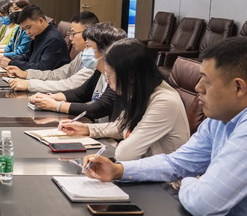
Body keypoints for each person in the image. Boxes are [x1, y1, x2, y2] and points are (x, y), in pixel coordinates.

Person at [83, 37, 247, 216]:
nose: (198, 87)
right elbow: (176, 162)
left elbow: (203, 203)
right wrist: (119, 170)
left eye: (206, 81)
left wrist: (190, 180)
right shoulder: (221, 119)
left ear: (238, 87)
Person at [60, 39, 189, 161]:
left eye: (110, 76)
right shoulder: (140, 90)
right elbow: (120, 126)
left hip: (165, 176)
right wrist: (86, 129)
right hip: (142, 167)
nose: (107, 81)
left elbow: (125, 154)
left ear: (130, 77)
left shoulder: (165, 102)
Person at [30, 23, 126, 121]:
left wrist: (56, 106)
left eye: (88, 46)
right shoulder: (99, 72)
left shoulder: (117, 78)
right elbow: (80, 93)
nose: (85, 51)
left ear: (105, 49)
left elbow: (96, 109)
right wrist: (50, 97)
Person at [7, 11, 99, 93]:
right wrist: (27, 74)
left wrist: (29, 84)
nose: (70, 38)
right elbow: (58, 74)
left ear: (88, 33)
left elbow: (70, 84)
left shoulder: (95, 58)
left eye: (73, 33)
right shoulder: (83, 53)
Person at [0, 4, 70, 71]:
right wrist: (9, 58)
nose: (27, 32)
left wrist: (12, 63)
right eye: (24, 29)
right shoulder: (38, 35)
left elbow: (42, 68)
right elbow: (27, 56)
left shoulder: (53, 40)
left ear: (40, 21)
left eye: (28, 27)